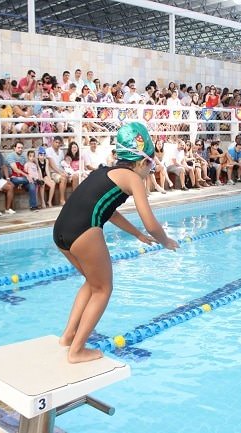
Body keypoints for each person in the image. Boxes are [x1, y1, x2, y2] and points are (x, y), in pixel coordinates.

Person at [54, 122, 179, 363]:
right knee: (103, 289)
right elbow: (151, 223)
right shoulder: (133, 178)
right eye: (151, 165)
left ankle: (68, 337)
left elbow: (109, 211)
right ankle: (77, 351)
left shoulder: (103, 172)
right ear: (143, 162)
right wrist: (165, 241)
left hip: (60, 231)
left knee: (92, 283)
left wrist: (137, 235)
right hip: (83, 232)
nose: (150, 171)